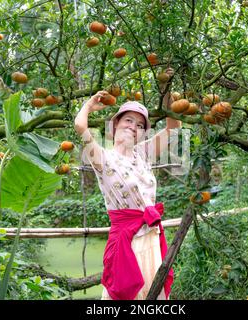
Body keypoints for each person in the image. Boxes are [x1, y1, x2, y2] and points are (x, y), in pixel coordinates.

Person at [74, 68, 181, 300]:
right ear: (115, 126)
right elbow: (81, 127)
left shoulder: (143, 154)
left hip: (151, 238)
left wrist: (166, 90)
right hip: (127, 242)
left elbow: (173, 128)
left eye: (140, 125)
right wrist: (88, 106)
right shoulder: (102, 158)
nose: (133, 127)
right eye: (128, 120)